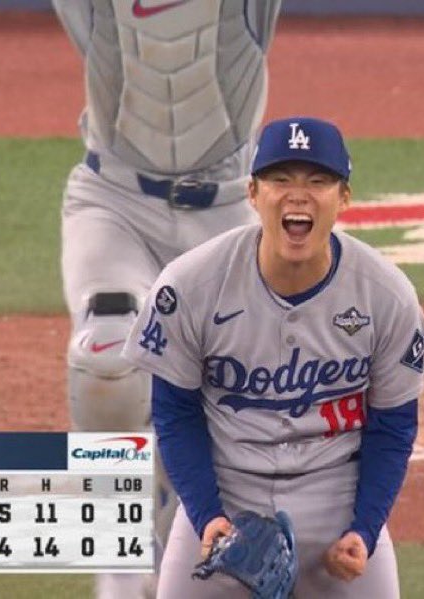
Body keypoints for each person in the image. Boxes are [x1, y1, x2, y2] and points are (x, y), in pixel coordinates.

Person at [121, 116, 424, 598]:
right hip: (225, 499)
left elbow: (394, 426)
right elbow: (175, 412)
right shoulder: (191, 285)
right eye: (280, 179)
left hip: (337, 500)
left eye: (318, 180)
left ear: (344, 197)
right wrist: (208, 516)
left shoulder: (385, 295)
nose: (299, 195)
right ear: (252, 193)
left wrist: (364, 530)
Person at [50, 1, 284, 597]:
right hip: (115, 202)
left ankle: (182, 559)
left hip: (229, 210)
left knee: (227, 408)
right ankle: (119, 569)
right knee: (108, 358)